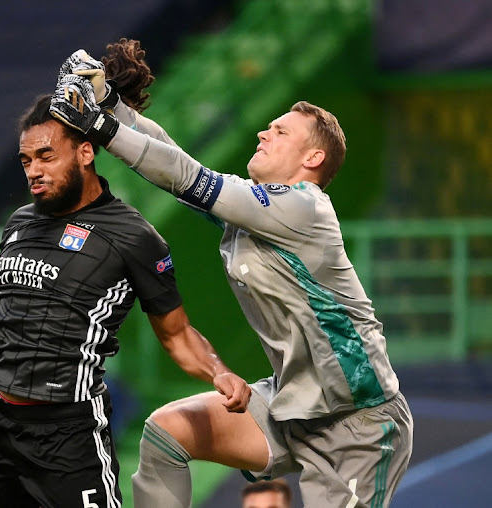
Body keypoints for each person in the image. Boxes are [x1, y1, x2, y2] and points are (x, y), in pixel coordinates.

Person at [0, 59, 251, 506]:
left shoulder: (135, 238)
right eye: (26, 160)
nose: (34, 170)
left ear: (85, 152)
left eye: (47, 156)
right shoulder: (20, 223)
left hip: (68, 434)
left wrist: (218, 371)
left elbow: (177, 335)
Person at [50, 45, 414, 508]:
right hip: (290, 406)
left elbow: (186, 175)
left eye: (279, 131)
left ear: (313, 158)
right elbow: (176, 162)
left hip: (357, 425)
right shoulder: (255, 213)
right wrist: (111, 105)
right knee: (167, 433)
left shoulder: (304, 208)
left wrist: (102, 126)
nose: (263, 132)